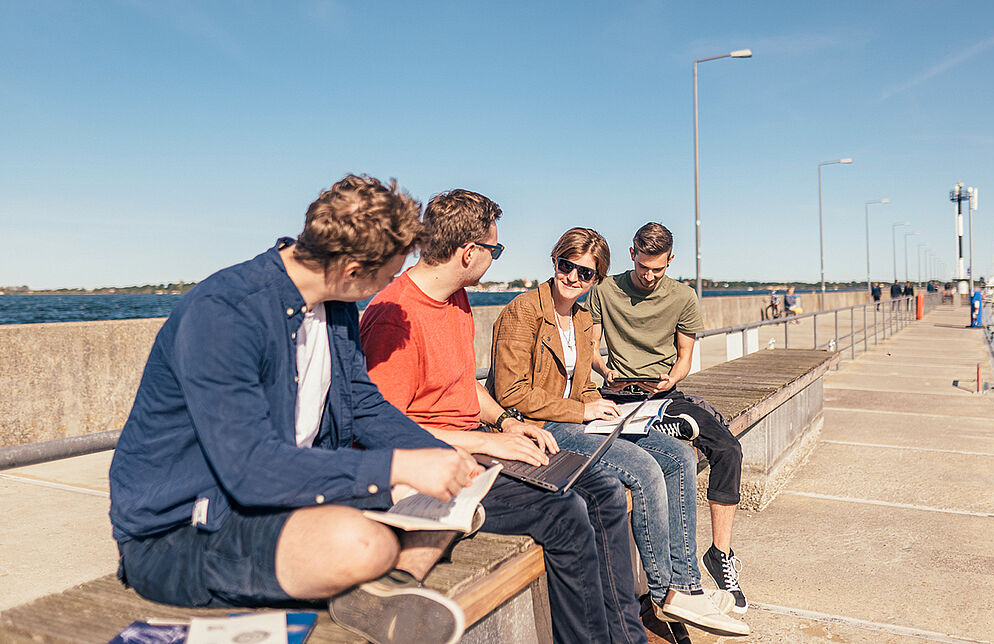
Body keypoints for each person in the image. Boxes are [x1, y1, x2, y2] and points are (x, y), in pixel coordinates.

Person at [109, 175, 482, 644]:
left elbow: (363, 403)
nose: (390, 285)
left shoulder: (335, 302)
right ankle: (378, 580)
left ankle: (392, 586)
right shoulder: (224, 314)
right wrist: (398, 465)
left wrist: (440, 456)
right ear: (351, 268)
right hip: (186, 530)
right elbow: (250, 468)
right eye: (387, 275)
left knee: (455, 499)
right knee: (361, 543)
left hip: (280, 495)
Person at [360, 190, 645, 644]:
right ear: (469, 252)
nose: (496, 257)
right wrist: (485, 443)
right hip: (432, 465)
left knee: (604, 490)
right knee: (565, 512)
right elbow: (381, 428)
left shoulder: (454, 298)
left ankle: (626, 636)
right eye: (496, 249)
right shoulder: (396, 318)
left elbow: (465, 386)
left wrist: (508, 422)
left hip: (476, 444)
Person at [490, 227, 749, 637]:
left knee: (680, 456)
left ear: (596, 278)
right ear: (554, 261)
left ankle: (686, 586)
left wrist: (601, 404)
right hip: (543, 427)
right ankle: (667, 594)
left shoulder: (579, 314)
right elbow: (511, 391)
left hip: (580, 418)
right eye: (567, 266)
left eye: (586, 273)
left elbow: (580, 382)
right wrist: (583, 407)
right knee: (644, 470)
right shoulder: (523, 312)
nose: (574, 277)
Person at [587, 222, 750, 614]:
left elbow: (684, 359)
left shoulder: (684, 298)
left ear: (670, 261)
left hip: (663, 392)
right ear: (632, 254)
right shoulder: (604, 291)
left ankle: (720, 555)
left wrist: (670, 379)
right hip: (617, 392)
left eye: (658, 269)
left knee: (728, 447)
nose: (649, 276)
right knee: (670, 454)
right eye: (644, 266)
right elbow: (591, 349)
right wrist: (605, 370)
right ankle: (665, 428)